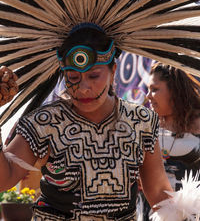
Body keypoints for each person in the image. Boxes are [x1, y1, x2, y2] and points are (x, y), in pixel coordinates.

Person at [0, 26, 173, 220]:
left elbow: (159, 192)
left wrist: (187, 214)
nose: (83, 88)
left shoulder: (141, 121)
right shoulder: (43, 123)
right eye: (73, 77)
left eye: (93, 76)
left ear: (113, 70)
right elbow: (4, 178)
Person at [147, 62, 200, 191]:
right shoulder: (147, 126)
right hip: (153, 209)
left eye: (154, 89)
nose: (148, 96)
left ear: (174, 91)